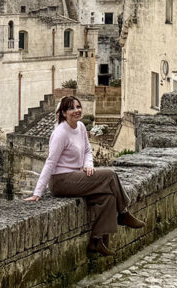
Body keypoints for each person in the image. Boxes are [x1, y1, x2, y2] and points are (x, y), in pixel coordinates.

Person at [25, 95, 145, 255]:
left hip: (77, 177)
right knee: (109, 174)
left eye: (78, 106)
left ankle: (97, 241)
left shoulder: (80, 127)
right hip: (61, 181)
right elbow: (50, 162)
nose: (77, 110)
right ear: (63, 113)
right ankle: (123, 213)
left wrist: (88, 165)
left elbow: (88, 151)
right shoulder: (60, 133)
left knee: (108, 197)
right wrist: (37, 192)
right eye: (71, 108)